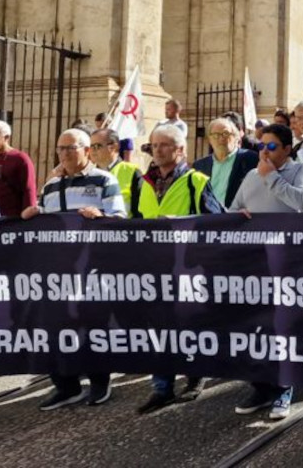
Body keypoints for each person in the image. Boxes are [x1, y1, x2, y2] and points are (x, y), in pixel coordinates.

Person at [21, 129, 126, 410]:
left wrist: (101, 216)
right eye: (60, 149)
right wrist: (32, 214)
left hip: (92, 269)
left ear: (87, 151)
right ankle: (66, 386)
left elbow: (120, 218)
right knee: (55, 327)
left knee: (93, 326)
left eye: (71, 148)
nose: (65, 153)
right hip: (58, 271)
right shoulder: (52, 185)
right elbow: (44, 217)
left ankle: (99, 382)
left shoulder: (105, 180)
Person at [229, 123, 303, 420]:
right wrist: (237, 215)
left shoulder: (300, 171)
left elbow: (302, 203)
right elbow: (233, 208)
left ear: (287, 149)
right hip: (254, 262)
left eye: (272, 146)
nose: (264, 152)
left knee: (283, 326)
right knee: (255, 325)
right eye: (261, 146)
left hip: (288, 261)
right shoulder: (251, 175)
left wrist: (273, 179)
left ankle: (284, 388)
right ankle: (260, 385)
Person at [136, 124, 224, 414]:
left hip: (187, 269)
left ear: (180, 150)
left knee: (189, 327)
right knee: (158, 330)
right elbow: (134, 221)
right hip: (153, 267)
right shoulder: (144, 182)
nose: (157, 150)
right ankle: (161, 388)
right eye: (153, 145)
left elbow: (215, 223)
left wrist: (183, 223)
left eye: (164, 145)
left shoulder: (196, 181)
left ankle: (195, 378)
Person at [193, 117, 259, 208]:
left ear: (236, 137)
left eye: (226, 133)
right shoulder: (199, 166)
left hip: (237, 217)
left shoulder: (251, 159)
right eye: (216, 135)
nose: (221, 139)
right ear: (210, 140)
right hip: (207, 218)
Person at [0, 120, 37, 218]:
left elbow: (28, 189)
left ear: (6, 137)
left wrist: (28, 218)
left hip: (14, 220)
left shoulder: (20, 158)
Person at [90, 128, 143, 216]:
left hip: (123, 228)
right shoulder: (87, 174)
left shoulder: (132, 172)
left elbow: (139, 212)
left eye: (97, 146)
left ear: (114, 147)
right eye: (91, 147)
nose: (93, 151)